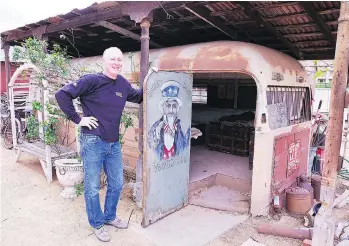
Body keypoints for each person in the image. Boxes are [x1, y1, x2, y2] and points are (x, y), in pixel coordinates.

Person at [55, 47, 143, 242]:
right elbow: (62, 94)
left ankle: (110, 216)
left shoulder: (122, 84)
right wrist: (78, 119)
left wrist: (152, 80)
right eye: (113, 59)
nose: (117, 62)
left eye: (119, 59)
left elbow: (138, 96)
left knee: (117, 183)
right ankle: (97, 223)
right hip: (93, 140)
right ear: (104, 61)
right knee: (93, 186)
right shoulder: (91, 80)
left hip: (113, 143)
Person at [147, 81, 190, 160]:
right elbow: (150, 146)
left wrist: (190, 134)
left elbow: (183, 147)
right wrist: (156, 135)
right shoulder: (156, 127)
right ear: (163, 108)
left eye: (174, 106)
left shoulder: (178, 127)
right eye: (168, 106)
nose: (171, 110)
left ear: (177, 109)